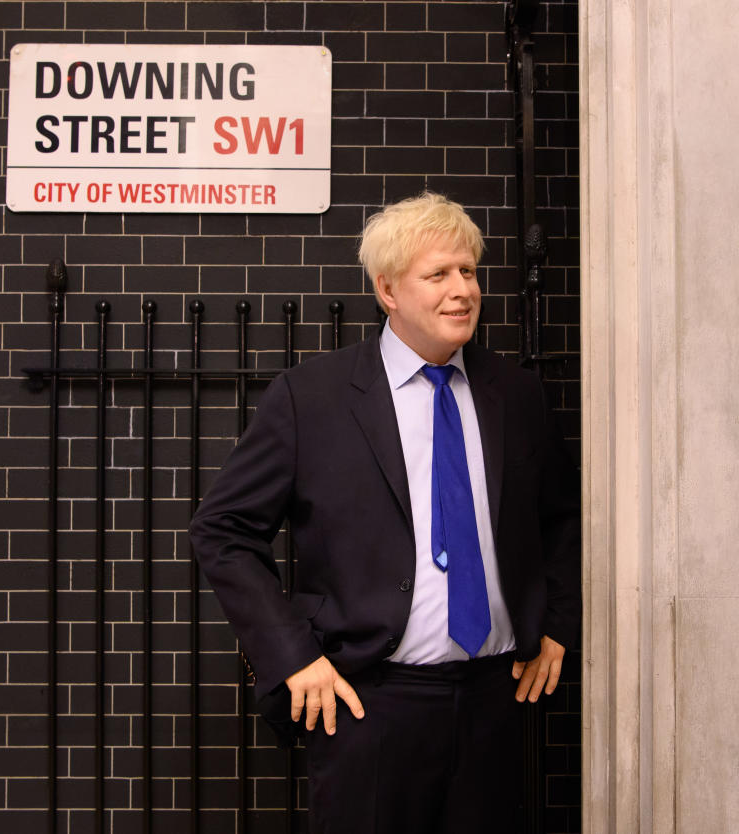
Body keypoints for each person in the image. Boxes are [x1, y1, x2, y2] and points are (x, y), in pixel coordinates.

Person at [189, 191, 581, 833]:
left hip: (494, 703)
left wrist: (558, 623)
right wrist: (292, 656)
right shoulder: (310, 400)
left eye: (469, 272)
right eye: (439, 275)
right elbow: (222, 530)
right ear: (389, 291)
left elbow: (562, 517)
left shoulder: (517, 394)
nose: (462, 290)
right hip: (370, 706)